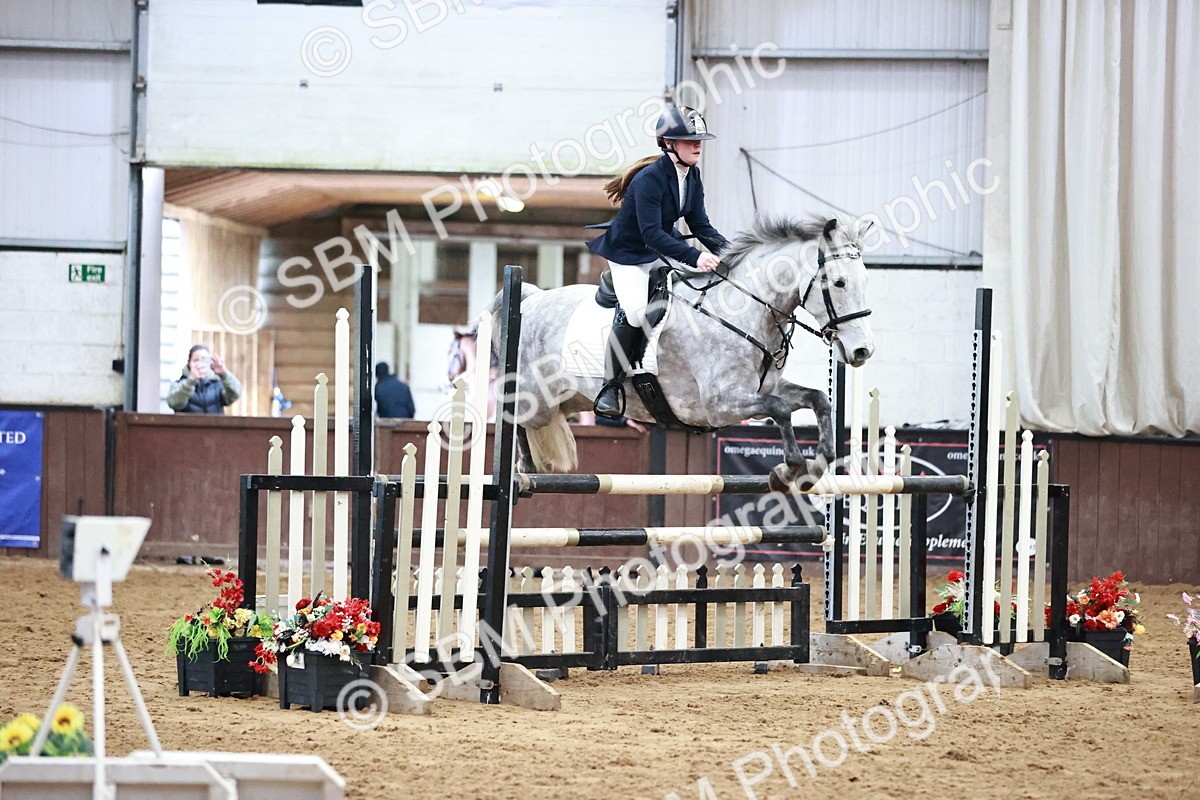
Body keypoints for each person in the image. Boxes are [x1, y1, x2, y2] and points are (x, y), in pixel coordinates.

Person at [585, 104, 729, 418]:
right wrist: (695, 256)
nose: (697, 145)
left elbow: (700, 224)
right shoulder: (649, 180)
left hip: (661, 248)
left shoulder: (692, 176)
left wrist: (728, 252)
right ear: (668, 144)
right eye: (689, 139)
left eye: (699, 139)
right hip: (629, 253)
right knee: (637, 313)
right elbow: (650, 234)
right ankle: (610, 386)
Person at [166, 345, 243, 414]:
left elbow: (236, 393)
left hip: (214, 429)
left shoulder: (217, 385)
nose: (200, 364)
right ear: (189, 363)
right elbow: (174, 403)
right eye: (196, 360)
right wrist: (190, 381)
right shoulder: (178, 385)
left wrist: (224, 373)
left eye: (204, 360)